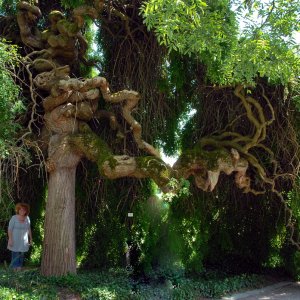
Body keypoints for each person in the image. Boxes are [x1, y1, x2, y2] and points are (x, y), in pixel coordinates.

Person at [7, 203, 33, 271]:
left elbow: (29, 229)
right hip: (14, 239)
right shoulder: (14, 218)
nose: (22, 211)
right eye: (20, 210)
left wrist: (31, 239)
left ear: (26, 211)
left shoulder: (27, 218)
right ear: (18, 210)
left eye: (24, 210)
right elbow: (9, 229)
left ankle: (19, 267)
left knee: (22, 253)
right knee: (15, 252)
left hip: (24, 240)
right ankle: (14, 267)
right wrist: (10, 239)